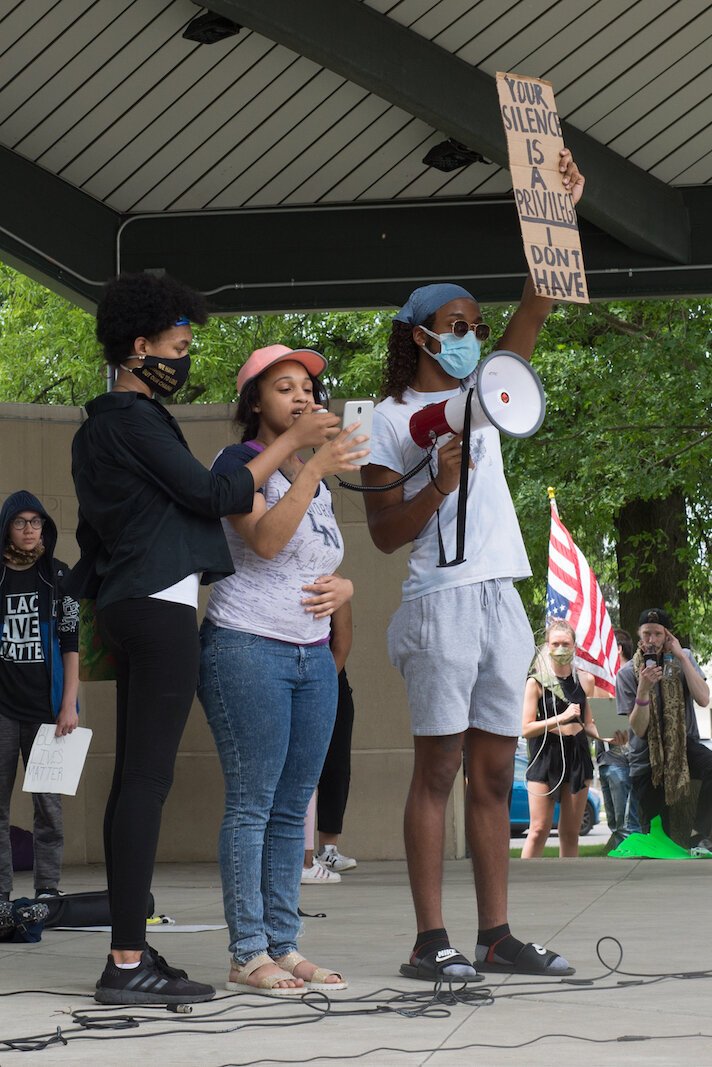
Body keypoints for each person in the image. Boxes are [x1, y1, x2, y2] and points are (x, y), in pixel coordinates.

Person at [70, 278, 342, 1006]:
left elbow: (92, 533)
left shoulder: (103, 426)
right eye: (180, 346)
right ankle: (127, 960)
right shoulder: (133, 418)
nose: (185, 359)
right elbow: (212, 494)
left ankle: (129, 942)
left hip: (130, 604)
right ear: (141, 346)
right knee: (147, 782)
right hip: (158, 609)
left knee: (134, 779)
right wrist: (293, 444)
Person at [362, 148, 584, 981]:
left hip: (499, 594)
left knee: (495, 770)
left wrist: (558, 212)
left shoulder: (486, 392)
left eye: (476, 327)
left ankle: (495, 934)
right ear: (418, 335)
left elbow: (536, 306)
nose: (471, 336)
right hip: (439, 600)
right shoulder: (386, 418)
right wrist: (436, 483)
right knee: (440, 768)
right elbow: (385, 532)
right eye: (456, 326)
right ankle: (431, 941)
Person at [197, 344, 367, 996]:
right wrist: (312, 459)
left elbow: (312, 562)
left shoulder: (312, 474)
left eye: (307, 388)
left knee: (293, 807)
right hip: (247, 646)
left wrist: (345, 588)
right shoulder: (239, 462)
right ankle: (247, 950)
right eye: (284, 387)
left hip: (311, 655)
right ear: (254, 401)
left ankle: (283, 942)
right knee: (252, 804)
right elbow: (265, 541)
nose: (301, 397)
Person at [0, 491, 79, 904]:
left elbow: (71, 645)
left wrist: (69, 704)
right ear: (7, 528)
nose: (29, 529)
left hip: (48, 711)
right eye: (20, 522)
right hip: (3, 710)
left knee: (49, 806)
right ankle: (1, 894)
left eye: (36, 522)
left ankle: (47, 889)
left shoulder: (60, 577)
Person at [616, 608, 711, 852]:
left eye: (658, 634)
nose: (652, 640)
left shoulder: (683, 658)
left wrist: (680, 657)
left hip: (682, 744)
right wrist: (643, 690)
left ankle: (701, 833)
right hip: (648, 755)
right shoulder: (627, 674)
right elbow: (638, 728)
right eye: (647, 633)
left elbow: (703, 699)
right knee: (660, 839)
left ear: (667, 635)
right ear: (639, 636)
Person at [521, 620, 602, 858]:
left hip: (577, 756)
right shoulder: (536, 682)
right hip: (544, 756)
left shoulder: (585, 680)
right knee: (538, 829)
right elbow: (526, 728)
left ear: (575, 646)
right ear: (547, 645)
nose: (561, 648)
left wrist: (609, 736)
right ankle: (522, 880)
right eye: (555, 643)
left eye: (565, 644)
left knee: (570, 832)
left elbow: (588, 724)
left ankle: (572, 885)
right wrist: (561, 718)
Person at [302, 598, 358, 881]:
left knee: (335, 767)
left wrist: (319, 684)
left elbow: (342, 643)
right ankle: (298, 855)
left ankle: (328, 849)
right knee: (299, 769)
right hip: (291, 677)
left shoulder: (333, 583)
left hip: (328, 679)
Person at [594, 628, 640, 842]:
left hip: (629, 758)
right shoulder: (600, 680)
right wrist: (603, 734)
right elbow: (589, 720)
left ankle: (631, 861)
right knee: (615, 822)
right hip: (605, 757)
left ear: (618, 649)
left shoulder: (635, 676)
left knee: (628, 823)